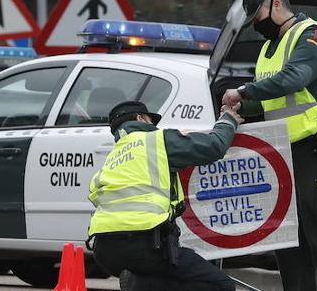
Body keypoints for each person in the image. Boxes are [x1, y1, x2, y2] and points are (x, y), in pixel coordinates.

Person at [222, 0, 317, 291]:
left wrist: (242, 91)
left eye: (258, 15)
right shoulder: (271, 50)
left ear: (276, 5)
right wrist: (238, 107)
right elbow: (271, 100)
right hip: (282, 154)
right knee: (289, 242)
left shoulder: (313, 36)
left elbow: (296, 78)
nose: (257, 24)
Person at [88, 99, 240, 291]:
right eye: (152, 122)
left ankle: (140, 283)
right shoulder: (157, 141)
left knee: (166, 280)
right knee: (220, 285)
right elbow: (214, 146)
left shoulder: (113, 157)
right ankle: (139, 284)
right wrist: (228, 120)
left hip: (105, 251)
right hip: (144, 243)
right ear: (140, 118)